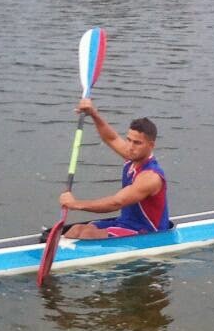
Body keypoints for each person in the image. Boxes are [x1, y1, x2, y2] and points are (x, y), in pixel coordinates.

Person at [59, 100, 172, 239]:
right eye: (128, 140)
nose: (130, 146)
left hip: (148, 232)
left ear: (151, 145)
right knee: (75, 230)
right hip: (125, 223)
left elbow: (116, 203)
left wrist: (75, 204)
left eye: (137, 143)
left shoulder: (150, 177)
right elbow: (111, 138)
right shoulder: (132, 156)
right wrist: (93, 114)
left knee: (88, 234)